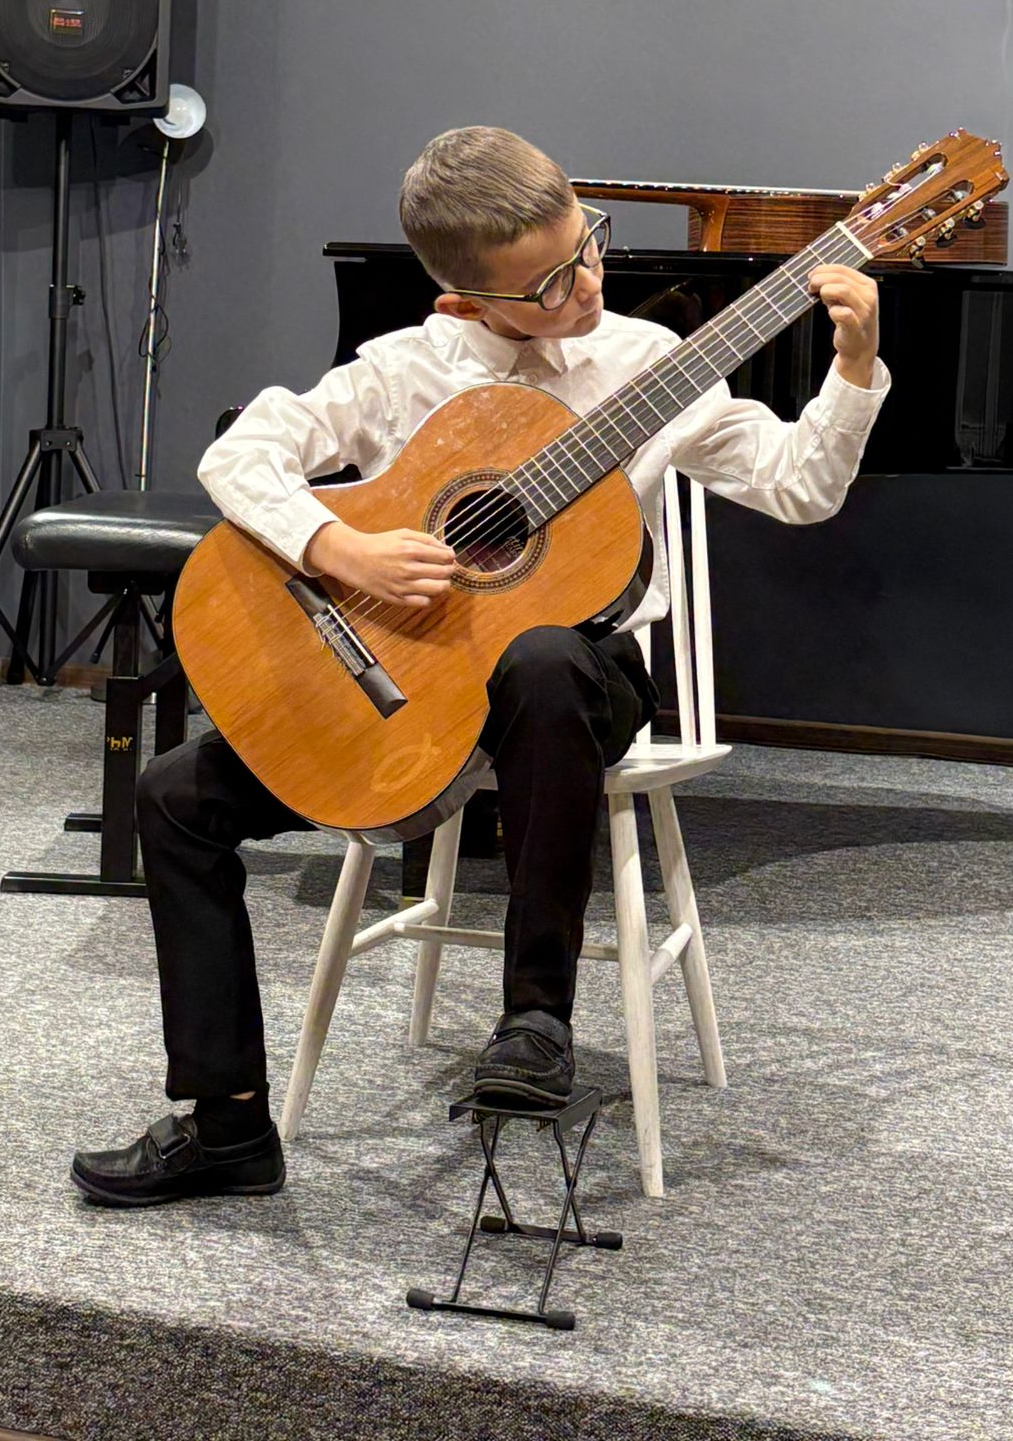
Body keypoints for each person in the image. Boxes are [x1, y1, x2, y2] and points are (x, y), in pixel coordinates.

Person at [71, 126, 889, 1207]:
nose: (584, 285)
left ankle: (535, 1021)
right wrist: (339, 546)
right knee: (171, 796)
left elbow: (801, 486)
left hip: (581, 684)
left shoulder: (647, 360)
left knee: (543, 657)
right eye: (545, 286)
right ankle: (226, 1126)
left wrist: (853, 367)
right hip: (417, 690)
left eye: (587, 248)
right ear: (462, 296)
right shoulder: (406, 369)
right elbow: (242, 454)